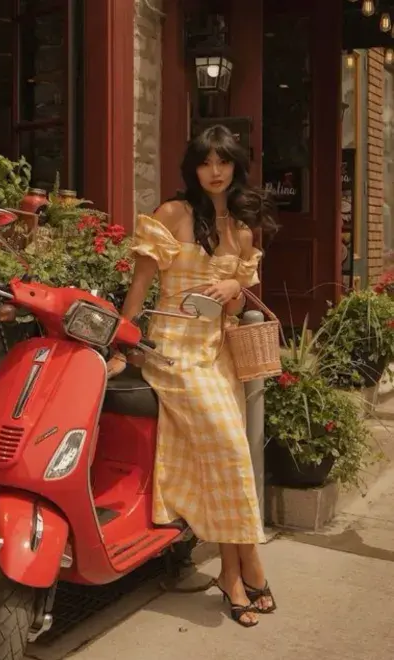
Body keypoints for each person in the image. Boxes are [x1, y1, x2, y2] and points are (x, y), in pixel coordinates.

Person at [115, 124, 278, 628]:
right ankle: (251, 561)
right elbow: (141, 285)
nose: (215, 171)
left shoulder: (243, 229)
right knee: (232, 449)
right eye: (206, 162)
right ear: (193, 167)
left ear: (235, 167)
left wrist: (233, 281)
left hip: (218, 353)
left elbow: (240, 296)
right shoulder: (172, 214)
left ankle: (231, 572)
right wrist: (122, 344)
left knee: (224, 460)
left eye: (223, 162)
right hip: (171, 352)